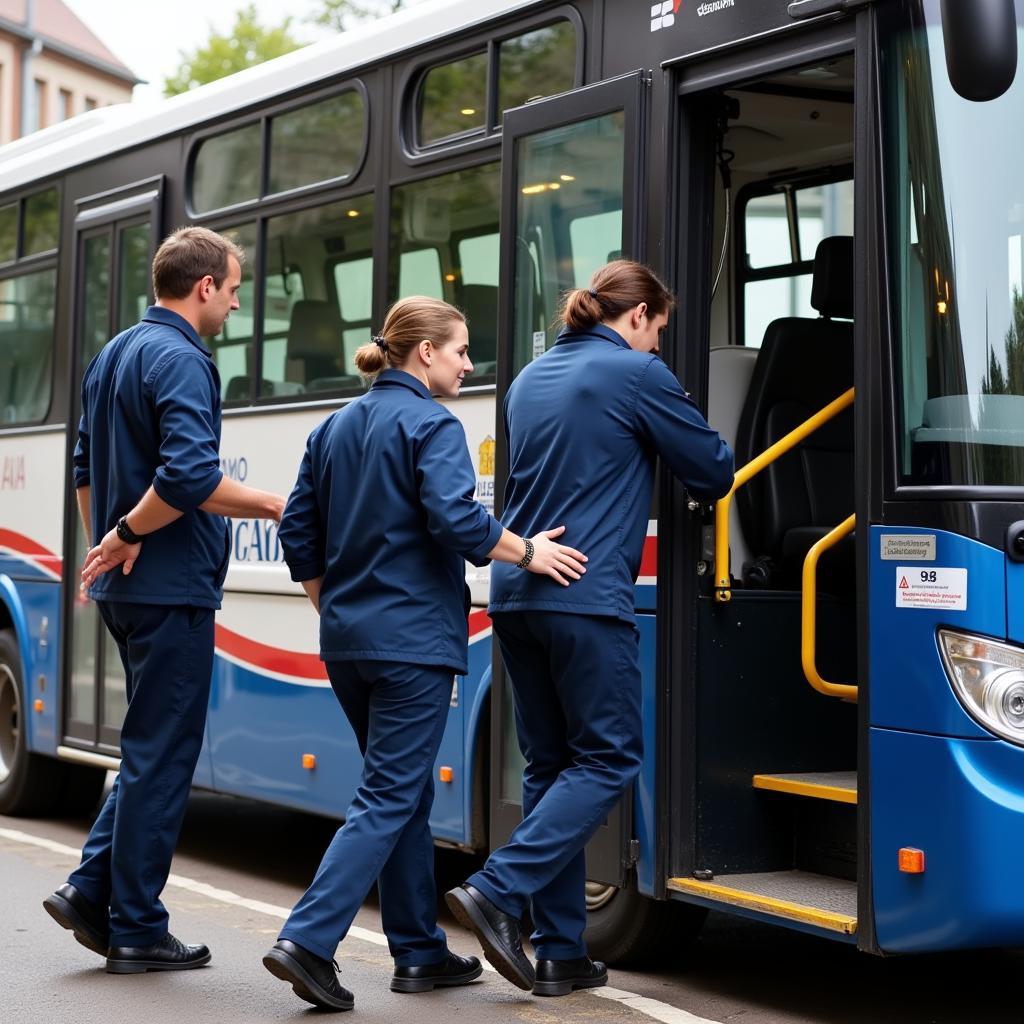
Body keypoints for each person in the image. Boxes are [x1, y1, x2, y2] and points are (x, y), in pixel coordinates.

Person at [263, 295, 588, 1012]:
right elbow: (458, 520)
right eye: (463, 350)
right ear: (426, 353)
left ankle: (418, 952)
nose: (470, 365)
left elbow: (298, 536)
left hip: (348, 642)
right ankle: (307, 940)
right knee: (388, 794)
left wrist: (333, 605)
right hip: (410, 646)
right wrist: (529, 550)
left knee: (399, 792)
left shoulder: (333, 427)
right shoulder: (433, 425)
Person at [446, 260, 734, 996]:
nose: (659, 346)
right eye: (659, 330)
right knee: (608, 760)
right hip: (583, 593)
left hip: (515, 591)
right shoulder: (636, 375)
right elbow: (712, 471)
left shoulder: (527, 379)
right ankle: (498, 889)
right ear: (636, 315)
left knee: (548, 767)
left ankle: (561, 951)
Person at [42, 227, 286, 974]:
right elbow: (187, 477)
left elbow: (84, 461)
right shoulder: (183, 357)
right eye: (235, 288)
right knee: (163, 755)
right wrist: (278, 505)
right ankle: (139, 926)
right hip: (171, 587)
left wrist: (109, 544)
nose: (238, 304)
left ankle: (91, 891)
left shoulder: (113, 351)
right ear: (203, 286)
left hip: (129, 586)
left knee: (147, 745)